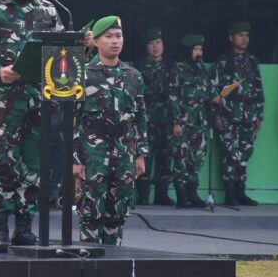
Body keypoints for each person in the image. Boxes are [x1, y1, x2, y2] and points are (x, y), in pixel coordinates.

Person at [0, 0, 92, 252]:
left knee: (33, 162)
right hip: (4, 98)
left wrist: (82, 44)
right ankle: (0, 230)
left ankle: (24, 228)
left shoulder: (48, 10)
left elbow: (63, 51)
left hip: (39, 97)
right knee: (2, 162)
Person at [73, 16, 148, 245]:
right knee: (90, 213)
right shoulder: (83, 74)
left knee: (117, 213)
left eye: (118, 36)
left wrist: (141, 154)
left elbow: (141, 117)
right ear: (95, 41)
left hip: (124, 153)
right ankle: (88, 265)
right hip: (92, 154)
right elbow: (72, 120)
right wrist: (74, 159)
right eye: (108, 36)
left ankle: (114, 263)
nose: (115, 41)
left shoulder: (133, 76)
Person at [210, 21, 264, 206]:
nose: (244, 39)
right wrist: (216, 115)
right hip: (228, 115)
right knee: (229, 153)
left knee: (245, 153)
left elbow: (258, 89)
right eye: (240, 35)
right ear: (231, 38)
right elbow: (214, 90)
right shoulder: (223, 61)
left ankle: (241, 191)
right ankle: (230, 193)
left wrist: (259, 115)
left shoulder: (252, 61)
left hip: (248, 115)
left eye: (246, 35)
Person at [132, 27, 176, 206]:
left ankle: (161, 194)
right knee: (145, 156)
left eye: (158, 43)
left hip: (166, 117)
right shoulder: (138, 67)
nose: (155, 47)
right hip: (147, 118)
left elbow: (176, 95)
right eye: (151, 43)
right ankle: (143, 195)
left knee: (166, 156)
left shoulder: (171, 66)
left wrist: (177, 121)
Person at [169, 34, 210, 208]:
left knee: (197, 156)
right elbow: (173, 96)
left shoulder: (201, 68)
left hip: (199, 120)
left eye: (200, 49)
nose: (199, 53)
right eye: (195, 49)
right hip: (184, 119)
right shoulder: (177, 69)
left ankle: (193, 193)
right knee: (181, 156)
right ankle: (182, 194)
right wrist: (176, 121)